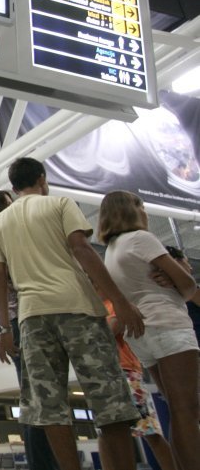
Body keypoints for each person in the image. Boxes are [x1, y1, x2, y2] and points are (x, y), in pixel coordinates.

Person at [0, 157, 143, 470]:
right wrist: (120, 301)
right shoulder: (59, 203)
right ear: (42, 178)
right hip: (78, 308)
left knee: (49, 406)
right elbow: (82, 249)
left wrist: (4, 330)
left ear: (14, 187)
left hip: (32, 318)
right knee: (109, 398)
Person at [98, 190, 199, 470]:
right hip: (168, 325)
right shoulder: (142, 239)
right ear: (131, 210)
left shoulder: (112, 250)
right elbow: (189, 287)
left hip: (142, 336)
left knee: (177, 411)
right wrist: (176, 275)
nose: (145, 211)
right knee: (187, 411)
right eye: (140, 205)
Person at [0, 190, 58, 470]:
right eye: (9, 205)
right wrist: (3, 327)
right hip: (25, 320)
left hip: (20, 322)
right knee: (40, 400)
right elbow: (3, 280)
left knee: (36, 399)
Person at [101, 299, 176, 470]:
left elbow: (113, 327)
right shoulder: (92, 305)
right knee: (105, 432)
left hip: (126, 371)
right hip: (102, 375)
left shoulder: (114, 303)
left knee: (148, 430)